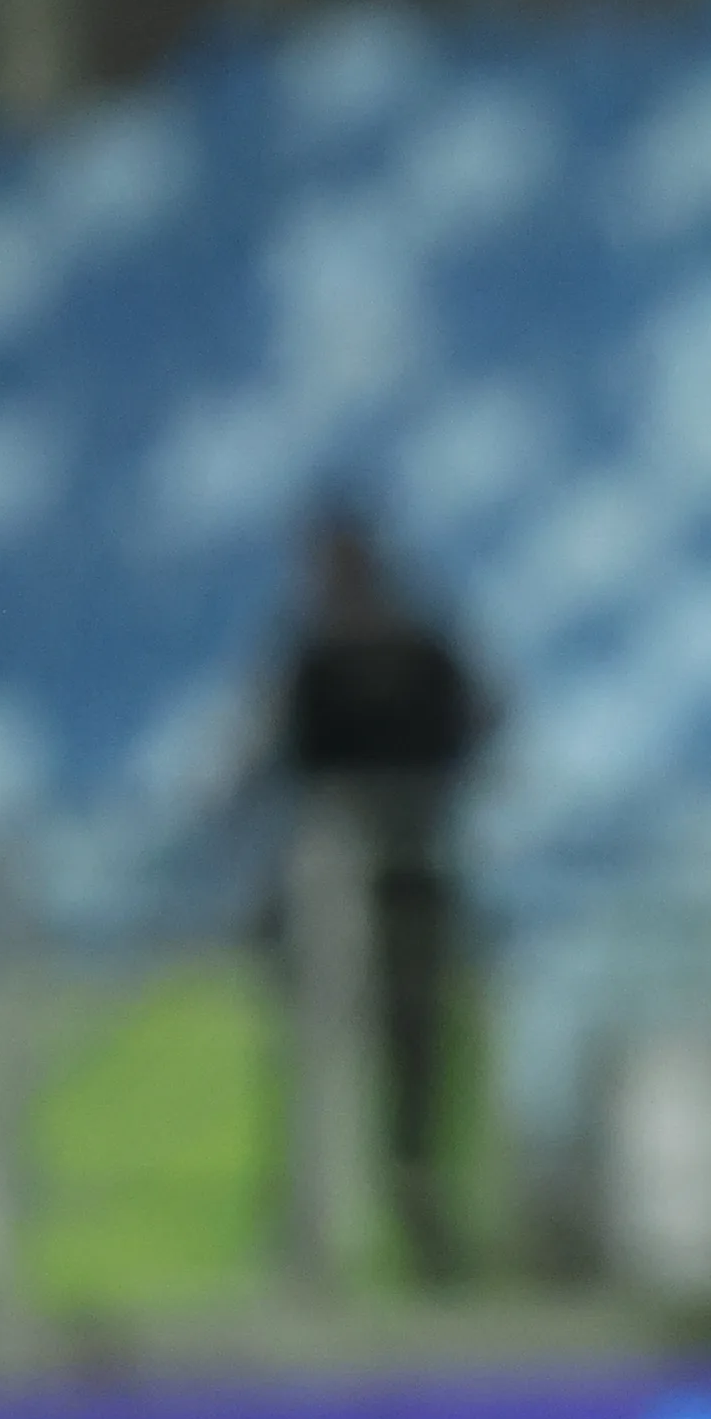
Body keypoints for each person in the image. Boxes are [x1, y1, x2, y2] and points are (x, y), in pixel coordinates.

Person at [269, 507, 489, 1285]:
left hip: (410, 881)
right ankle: (315, 1233)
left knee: (416, 1064)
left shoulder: (421, 654)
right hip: (334, 888)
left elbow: (471, 733)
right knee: (321, 1061)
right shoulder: (311, 662)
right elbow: (289, 762)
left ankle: (420, 1215)